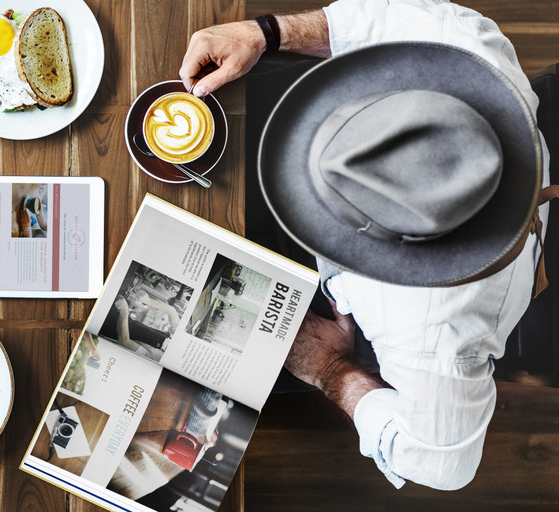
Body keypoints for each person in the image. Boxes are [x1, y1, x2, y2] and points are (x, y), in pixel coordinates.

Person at [180, 0, 551, 490]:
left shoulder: (430, 335)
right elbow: (390, 19)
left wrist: (331, 369)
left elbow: (442, 466)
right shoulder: (459, 48)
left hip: (361, 310)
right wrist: (266, 32)